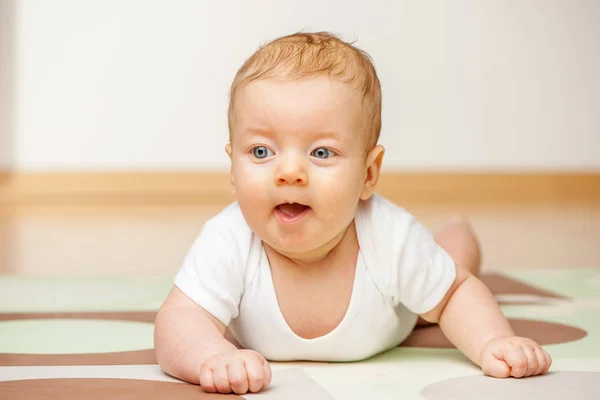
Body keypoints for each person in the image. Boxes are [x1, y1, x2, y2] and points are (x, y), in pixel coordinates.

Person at [154, 31, 552, 395]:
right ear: (233, 169)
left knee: (445, 283)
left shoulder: (389, 237)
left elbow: (454, 295)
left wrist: (492, 342)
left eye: (321, 152)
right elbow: (180, 319)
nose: (289, 173)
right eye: (261, 152)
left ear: (368, 173)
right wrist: (211, 355)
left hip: (402, 308)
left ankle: (457, 229)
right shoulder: (229, 238)